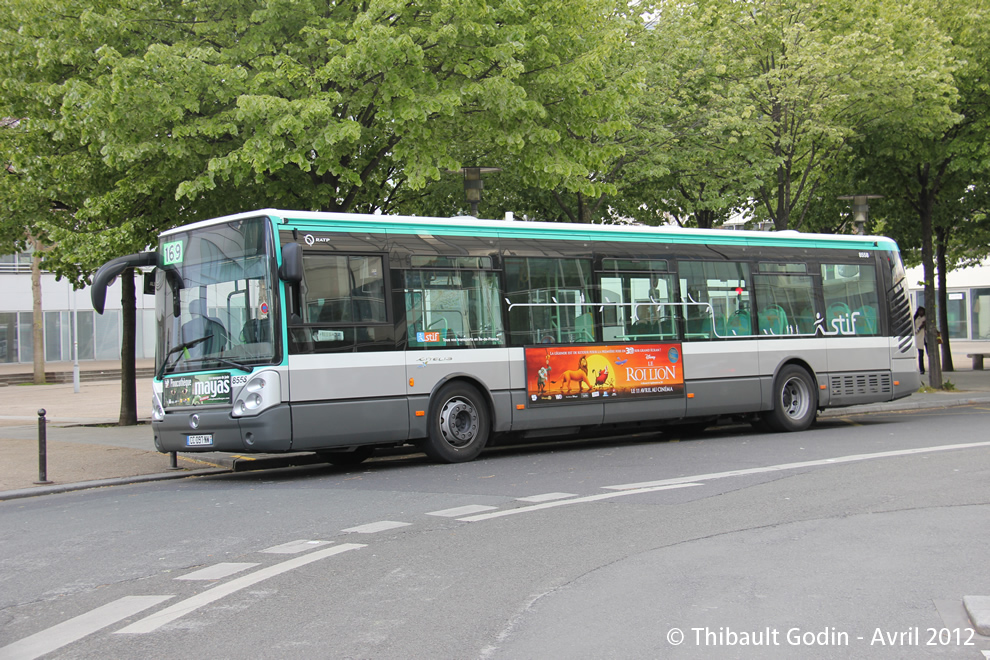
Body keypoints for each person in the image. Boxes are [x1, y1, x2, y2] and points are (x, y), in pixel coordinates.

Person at [913, 306, 926, 374]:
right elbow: (915, 327)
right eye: (919, 311)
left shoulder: (925, 318)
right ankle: (922, 369)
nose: (921, 312)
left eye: (922, 311)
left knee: (929, 354)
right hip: (919, 337)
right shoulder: (916, 319)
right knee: (921, 355)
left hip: (926, 337)